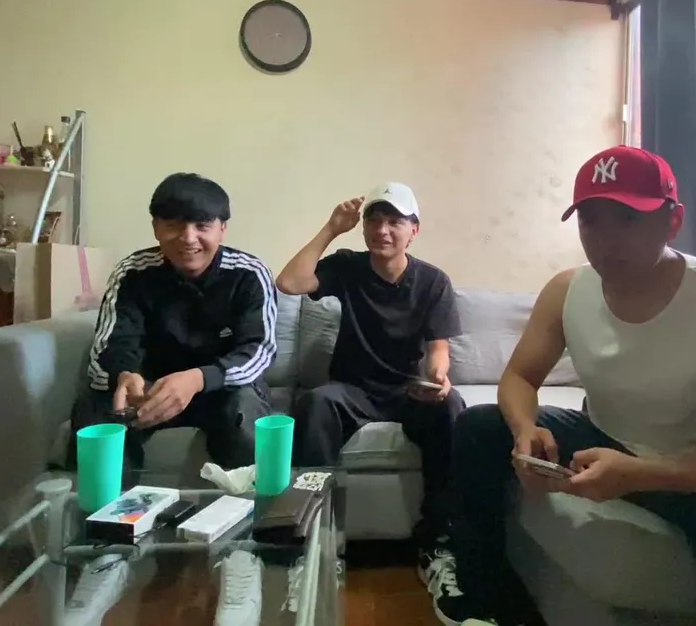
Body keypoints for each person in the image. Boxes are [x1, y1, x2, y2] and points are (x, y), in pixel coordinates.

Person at [441, 147, 696, 626]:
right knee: (478, 427)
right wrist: (524, 430)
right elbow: (519, 377)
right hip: (607, 439)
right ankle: (486, 598)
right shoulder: (566, 290)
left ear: (673, 221)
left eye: (628, 218)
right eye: (591, 221)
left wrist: (641, 474)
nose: (607, 241)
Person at [275, 182, 465, 597]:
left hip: (407, 392)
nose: (382, 230)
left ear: (414, 230)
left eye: (395, 221)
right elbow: (288, 282)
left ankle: (437, 540)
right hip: (353, 391)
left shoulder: (433, 281)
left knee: (452, 406)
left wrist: (437, 379)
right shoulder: (348, 266)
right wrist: (331, 228)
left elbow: (438, 350)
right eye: (374, 220)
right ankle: (315, 541)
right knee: (316, 403)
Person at [68, 172, 277, 472]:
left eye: (202, 226)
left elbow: (259, 351)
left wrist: (198, 379)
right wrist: (125, 376)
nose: (188, 238)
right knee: (96, 405)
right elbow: (111, 346)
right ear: (156, 227)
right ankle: (106, 502)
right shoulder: (132, 272)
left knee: (245, 403)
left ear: (222, 229)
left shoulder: (249, 273)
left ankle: (249, 500)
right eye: (174, 225)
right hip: (150, 393)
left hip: (220, 389)